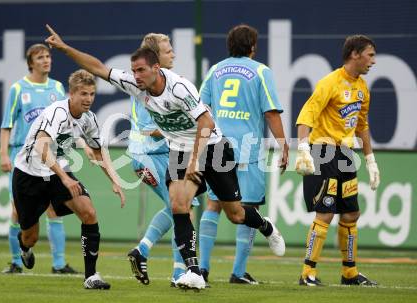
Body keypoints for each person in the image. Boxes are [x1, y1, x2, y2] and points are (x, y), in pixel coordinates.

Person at [45, 24, 286, 290]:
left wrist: (195, 160)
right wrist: (65, 48)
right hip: (180, 150)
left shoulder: (180, 88)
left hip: (213, 147)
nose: (135, 76)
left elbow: (206, 122)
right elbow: (98, 68)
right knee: (178, 204)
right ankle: (193, 271)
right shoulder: (136, 85)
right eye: (133, 70)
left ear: (156, 69)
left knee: (236, 214)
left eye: (140, 70)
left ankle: (264, 225)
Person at [12, 69, 125, 289]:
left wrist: (115, 180)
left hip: (57, 171)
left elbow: (100, 152)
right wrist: (64, 178)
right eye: (83, 94)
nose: (88, 99)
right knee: (31, 236)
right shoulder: (57, 113)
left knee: (88, 212)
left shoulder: (89, 119)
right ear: (71, 94)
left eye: (92, 94)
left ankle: (90, 276)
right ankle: (24, 246)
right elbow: (40, 146)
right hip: (29, 174)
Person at [198, 24, 289, 285]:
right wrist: (283, 145)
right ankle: (238, 272)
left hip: (217, 147)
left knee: (214, 205)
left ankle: (202, 270)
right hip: (248, 150)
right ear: (252, 47)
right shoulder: (261, 71)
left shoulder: (215, 70)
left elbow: (201, 107)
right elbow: (271, 112)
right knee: (249, 207)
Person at [295, 35, 380, 286]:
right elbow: (306, 115)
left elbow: (362, 125)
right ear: (355, 54)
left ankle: (350, 273)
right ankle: (307, 272)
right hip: (324, 152)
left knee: (352, 213)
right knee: (326, 213)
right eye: (370, 54)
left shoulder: (363, 88)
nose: (373, 61)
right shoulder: (329, 83)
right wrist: (302, 148)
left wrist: (370, 159)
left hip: (346, 155)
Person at [126, 33, 199, 287]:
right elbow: (149, 128)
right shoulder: (150, 89)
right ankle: (177, 271)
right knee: (182, 208)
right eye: (168, 51)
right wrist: (192, 124)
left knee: (180, 207)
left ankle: (155, 258)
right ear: (156, 59)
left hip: (151, 157)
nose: (174, 54)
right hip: (150, 156)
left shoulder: (160, 84)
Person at [0, 43, 78, 274]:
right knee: (18, 211)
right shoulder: (18, 89)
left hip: (48, 158)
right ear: (31, 62)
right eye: (40, 57)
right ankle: (16, 261)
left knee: (55, 207)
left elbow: (64, 123)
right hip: (22, 158)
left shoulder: (56, 88)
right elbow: (7, 125)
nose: (46, 60)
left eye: (48, 56)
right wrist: (4, 154)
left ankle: (59, 264)